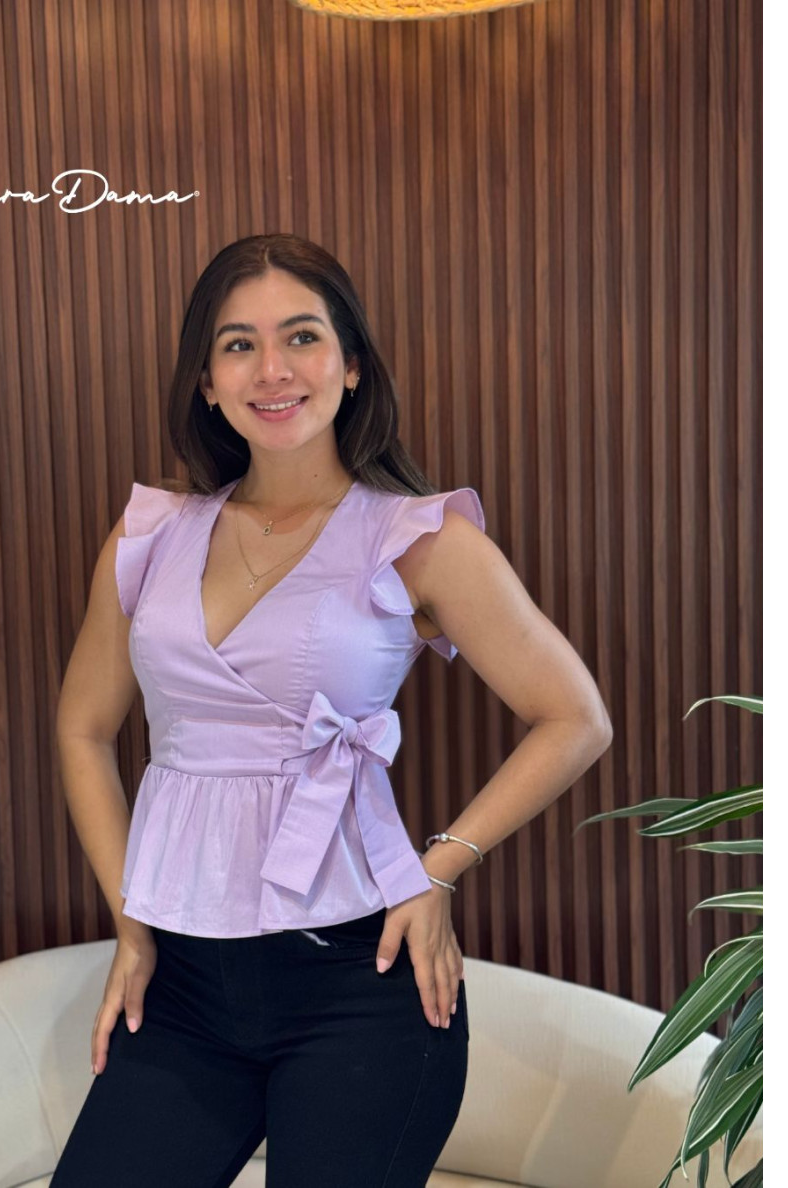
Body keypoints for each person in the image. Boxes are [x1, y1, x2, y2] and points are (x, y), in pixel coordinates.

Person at [50, 233, 612, 1187]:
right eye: (238, 344)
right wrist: (132, 921)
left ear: (351, 366)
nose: (272, 369)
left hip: (363, 981)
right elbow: (82, 729)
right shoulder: (149, 534)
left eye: (302, 337)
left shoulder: (415, 537)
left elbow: (575, 717)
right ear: (206, 382)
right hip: (181, 988)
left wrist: (439, 870)